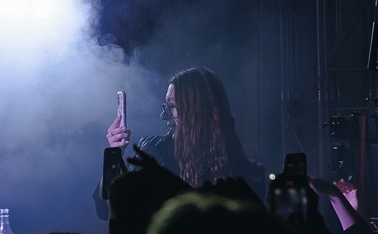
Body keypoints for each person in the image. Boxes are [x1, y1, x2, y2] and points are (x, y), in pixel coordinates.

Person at [97, 67, 263, 216]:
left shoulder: (243, 171)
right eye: (167, 106)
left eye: (173, 106)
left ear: (197, 109)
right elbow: (107, 208)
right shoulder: (154, 151)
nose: (165, 115)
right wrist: (114, 155)